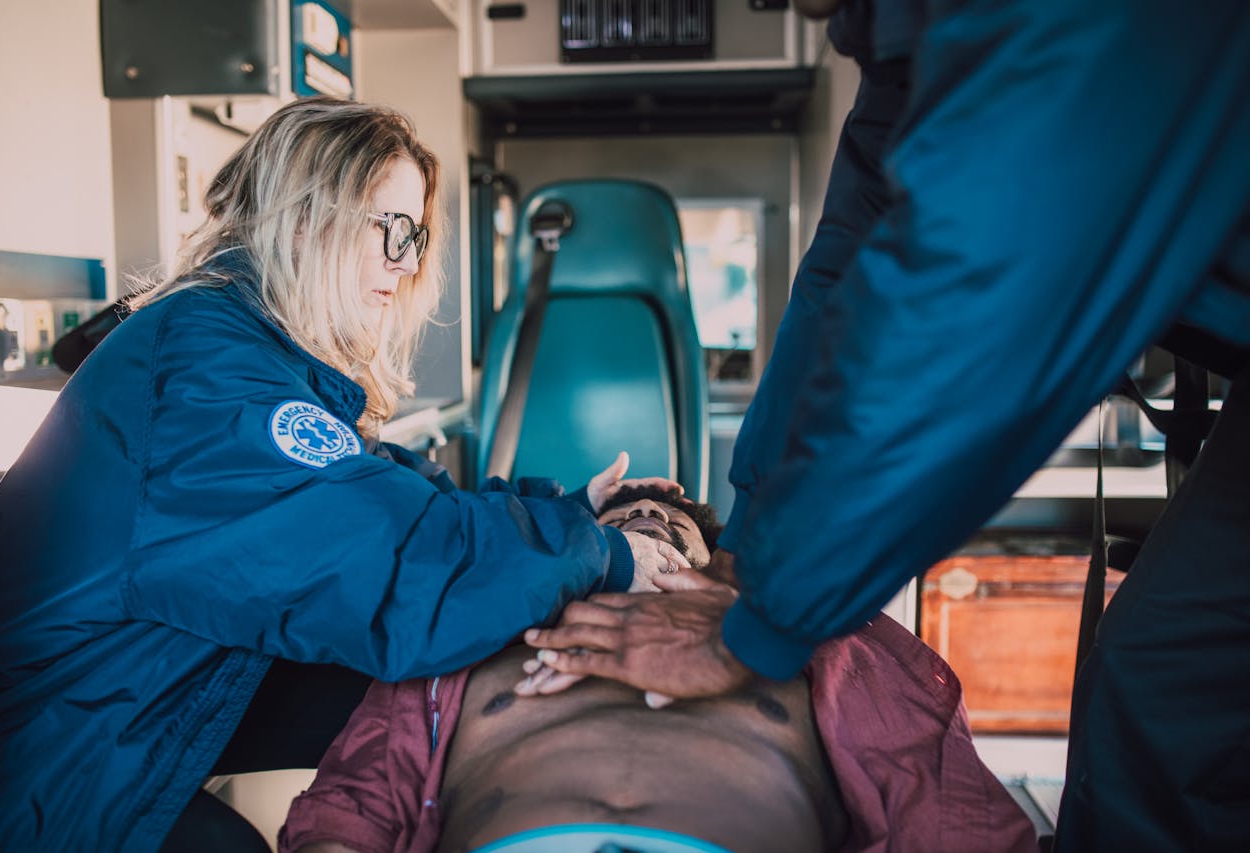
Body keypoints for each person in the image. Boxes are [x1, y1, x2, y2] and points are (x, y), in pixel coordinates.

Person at [524, 2, 1250, 849]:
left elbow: (963, 313)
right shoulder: (911, 51)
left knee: (1168, 686)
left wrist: (766, 623)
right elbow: (843, 277)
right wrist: (750, 545)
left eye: (667, 515)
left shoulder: (1048, 22)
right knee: (1166, 679)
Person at [0, 97, 693, 851]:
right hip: (38, 760)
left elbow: (387, 492)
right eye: (395, 231)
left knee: (421, 680)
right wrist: (600, 554)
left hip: (112, 692)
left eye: (415, 237)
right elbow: (390, 554)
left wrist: (567, 508)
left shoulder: (246, 345)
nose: (408, 263)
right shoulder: (210, 374)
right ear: (309, 217)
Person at [278, 485, 1036, 853]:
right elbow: (356, 800)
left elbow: (943, 806)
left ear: (719, 565)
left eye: (674, 526)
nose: (650, 521)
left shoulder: (816, 641)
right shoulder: (474, 632)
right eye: (624, 524)